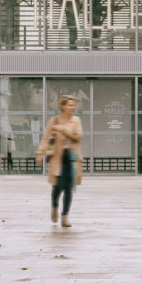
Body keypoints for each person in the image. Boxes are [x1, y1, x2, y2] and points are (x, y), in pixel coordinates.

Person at [35, 94, 83, 227]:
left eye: (73, 105)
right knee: (57, 186)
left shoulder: (76, 121)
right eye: (69, 104)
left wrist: (64, 129)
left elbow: (78, 136)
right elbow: (46, 138)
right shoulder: (54, 121)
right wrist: (40, 153)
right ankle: (54, 208)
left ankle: (65, 217)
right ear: (62, 106)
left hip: (71, 158)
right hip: (57, 157)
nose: (72, 107)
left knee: (69, 188)